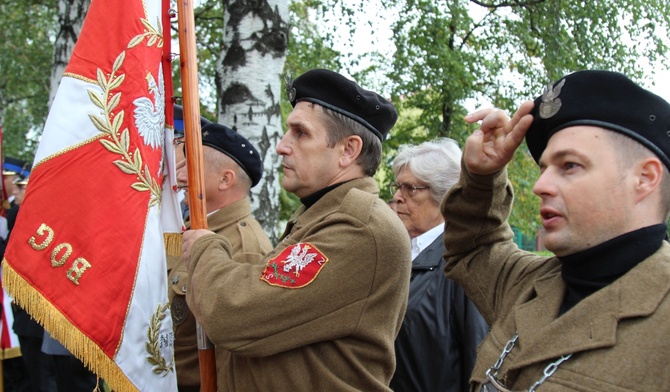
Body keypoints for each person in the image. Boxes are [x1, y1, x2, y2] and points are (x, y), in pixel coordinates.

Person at [181, 68, 411, 391]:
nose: (281, 146)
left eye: (300, 133)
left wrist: (206, 248)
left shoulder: (360, 225)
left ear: (348, 150)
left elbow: (234, 314)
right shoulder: (321, 213)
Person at [442, 69, 670, 390]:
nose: (540, 185)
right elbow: (473, 250)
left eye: (570, 166)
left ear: (644, 178)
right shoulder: (531, 284)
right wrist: (482, 177)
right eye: (544, 168)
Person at [168, 122, 272, 391]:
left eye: (190, 166)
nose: (179, 176)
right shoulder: (190, 230)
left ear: (226, 180)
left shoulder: (244, 247)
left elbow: (235, 354)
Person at [389, 139, 488, 392]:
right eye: (397, 187)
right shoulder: (398, 253)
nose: (397, 197)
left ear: (444, 195)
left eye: (410, 188)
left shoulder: (462, 262)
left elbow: (479, 359)